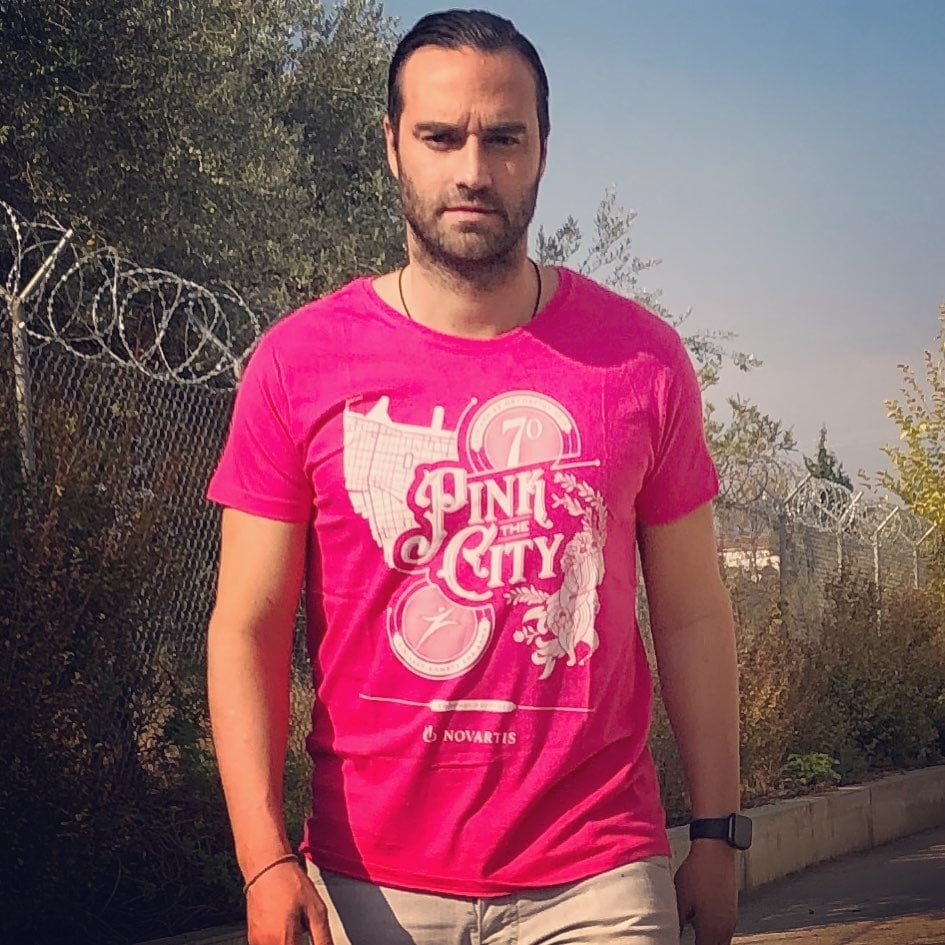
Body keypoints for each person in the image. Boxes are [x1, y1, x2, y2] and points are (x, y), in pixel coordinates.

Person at [206, 9, 745, 945]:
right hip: (367, 884)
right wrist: (263, 857)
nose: (472, 169)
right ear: (391, 146)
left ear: (541, 151)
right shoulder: (296, 365)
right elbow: (245, 625)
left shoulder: (640, 361)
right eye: (439, 136)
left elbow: (693, 612)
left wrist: (716, 832)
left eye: (502, 138)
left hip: (598, 878)